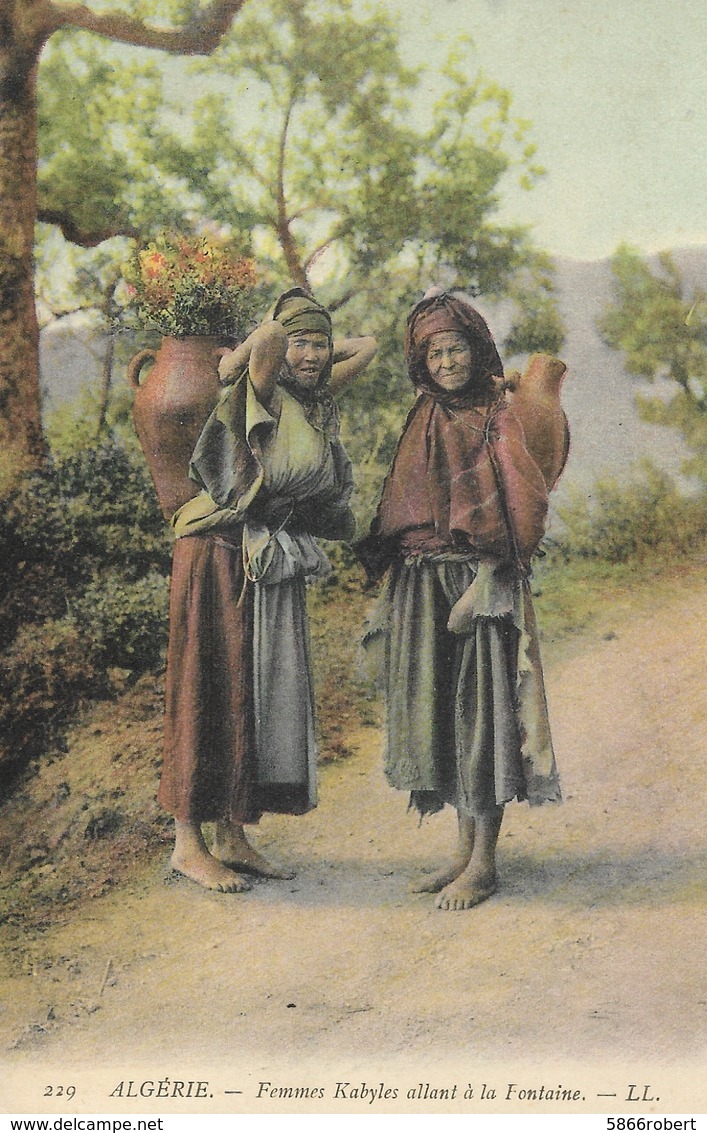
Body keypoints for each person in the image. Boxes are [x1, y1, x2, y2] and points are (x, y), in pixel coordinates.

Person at [157, 288, 377, 891]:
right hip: (218, 557)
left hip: (262, 560)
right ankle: (187, 843)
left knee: (248, 697)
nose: (311, 354)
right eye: (300, 344)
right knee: (209, 686)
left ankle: (232, 835)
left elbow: (371, 346)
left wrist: (315, 351)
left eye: (320, 344)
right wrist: (259, 348)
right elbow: (273, 344)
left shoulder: (310, 399)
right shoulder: (258, 390)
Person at [355, 290, 564, 911]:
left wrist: (488, 580)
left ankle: (486, 862)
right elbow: (404, 504)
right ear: (421, 362)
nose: (447, 362)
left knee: (482, 714)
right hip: (422, 581)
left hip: (477, 579)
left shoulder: (495, 414)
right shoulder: (424, 414)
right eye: (435, 352)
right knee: (442, 714)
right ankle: (461, 850)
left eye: (457, 349)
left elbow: (523, 503)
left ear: (478, 351)